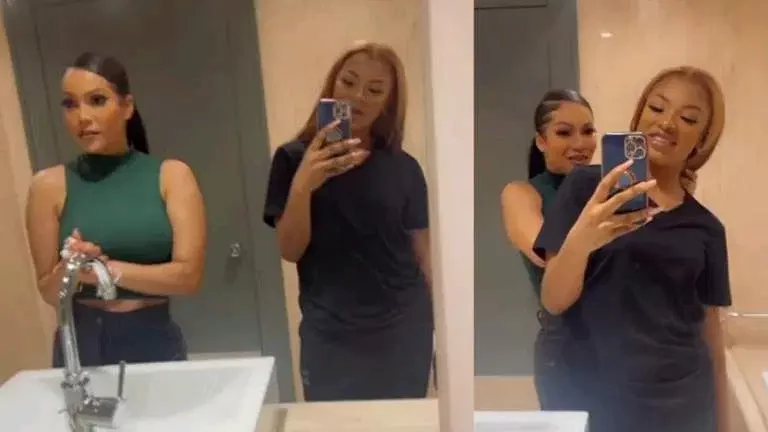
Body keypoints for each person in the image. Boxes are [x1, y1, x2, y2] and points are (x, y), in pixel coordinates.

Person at [533, 66, 728, 432]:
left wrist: (723, 426)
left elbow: (711, 336)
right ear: (639, 116)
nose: (667, 123)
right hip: (594, 395)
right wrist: (584, 237)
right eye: (657, 108)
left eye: (688, 118)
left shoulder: (707, 228)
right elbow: (553, 299)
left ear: (702, 140)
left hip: (682, 404)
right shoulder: (586, 188)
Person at [263, 41, 433, 401]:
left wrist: (445, 335)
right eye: (349, 82)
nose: (358, 97)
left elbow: (424, 254)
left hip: (404, 330)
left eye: (375, 90)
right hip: (331, 335)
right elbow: (290, 250)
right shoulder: (292, 159)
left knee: (402, 425)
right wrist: (304, 183)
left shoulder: (404, 167)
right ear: (332, 84)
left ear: (389, 101)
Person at [25, 52, 206, 367]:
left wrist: (102, 270)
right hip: (80, 345)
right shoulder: (47, 186)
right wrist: (73, 267)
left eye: (97, 100)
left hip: (152, 340)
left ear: (127, 106)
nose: (82, 116)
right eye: (70, 104)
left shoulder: (171, 176)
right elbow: (49, 293)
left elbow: (188, 277)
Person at [500, 89, 597, 410]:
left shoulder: (610, 190)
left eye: (588, 131)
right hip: (566, 348)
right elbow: (543, 251)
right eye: (564, 133)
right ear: (541, 141)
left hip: (624, 343)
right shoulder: (522, 193)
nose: (580, 143)